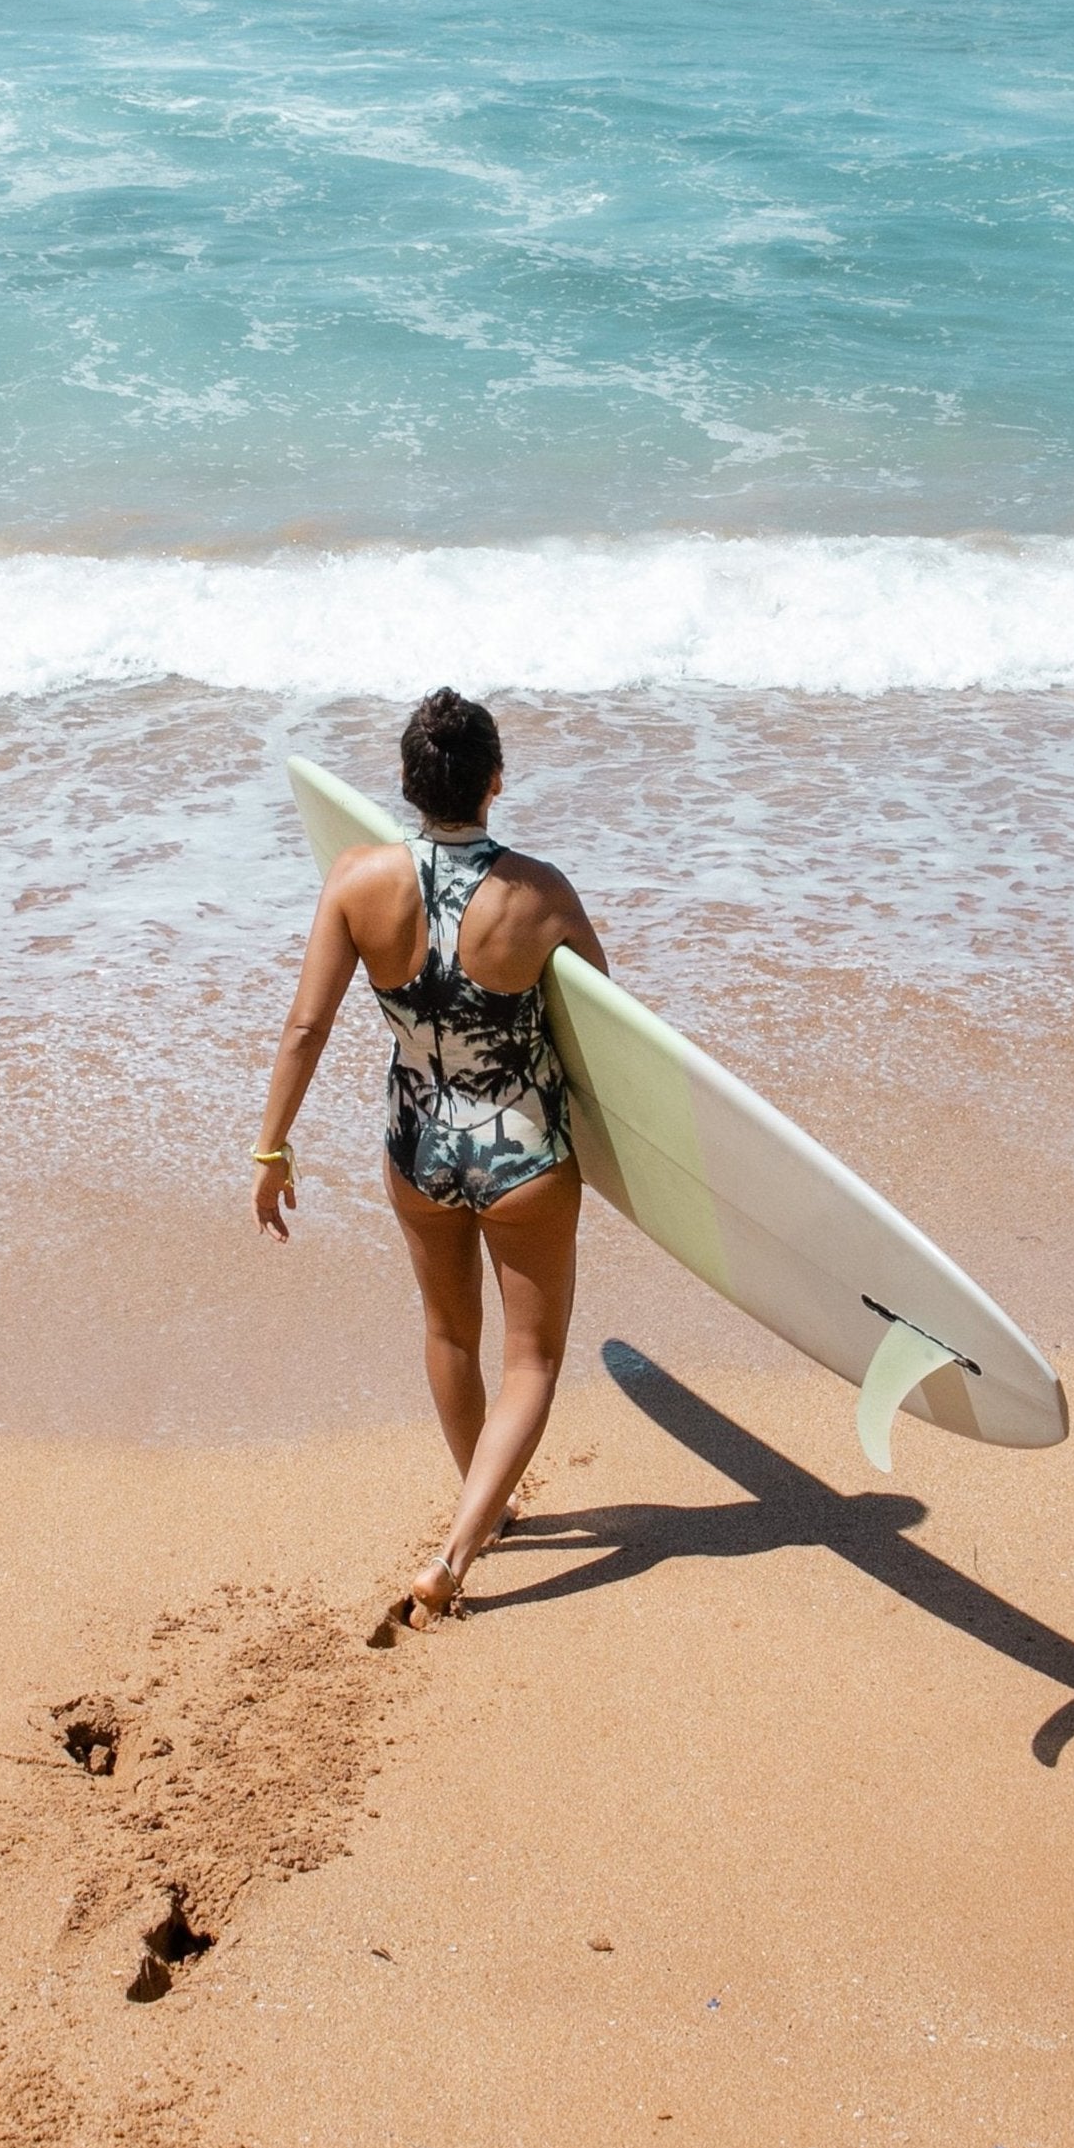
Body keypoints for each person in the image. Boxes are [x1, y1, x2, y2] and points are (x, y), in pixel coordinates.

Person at [251, 689, 608, 1630]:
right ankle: (455, 1549)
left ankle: (480, 1507)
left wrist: (271, 1147)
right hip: (523, 1151)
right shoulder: (539, 893)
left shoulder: (356, 880)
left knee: (449, 1335)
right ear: (495, 780)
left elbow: (305, 1025)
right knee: (531, 1360)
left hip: (415, 1149)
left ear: (406, 784)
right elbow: (608, 1033)